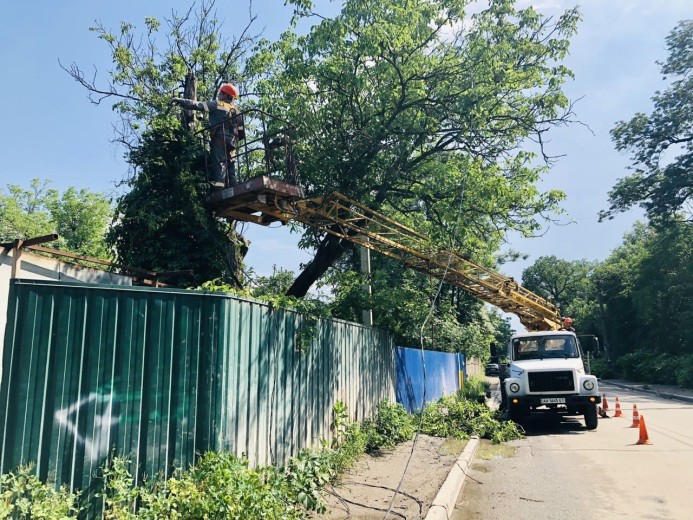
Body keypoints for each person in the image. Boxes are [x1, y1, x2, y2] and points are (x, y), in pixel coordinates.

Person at [172, 83, 246, 190]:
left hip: (219, 141)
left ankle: (219, 190)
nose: (219, 94)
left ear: (225, 95)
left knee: (219, 165)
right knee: (230, 166)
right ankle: (234, 187)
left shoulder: (217, 104)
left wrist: (181, 100)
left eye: (221, 92)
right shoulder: (237, 110)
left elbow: (197, 105)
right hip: (232, 143)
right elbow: (241, 132)